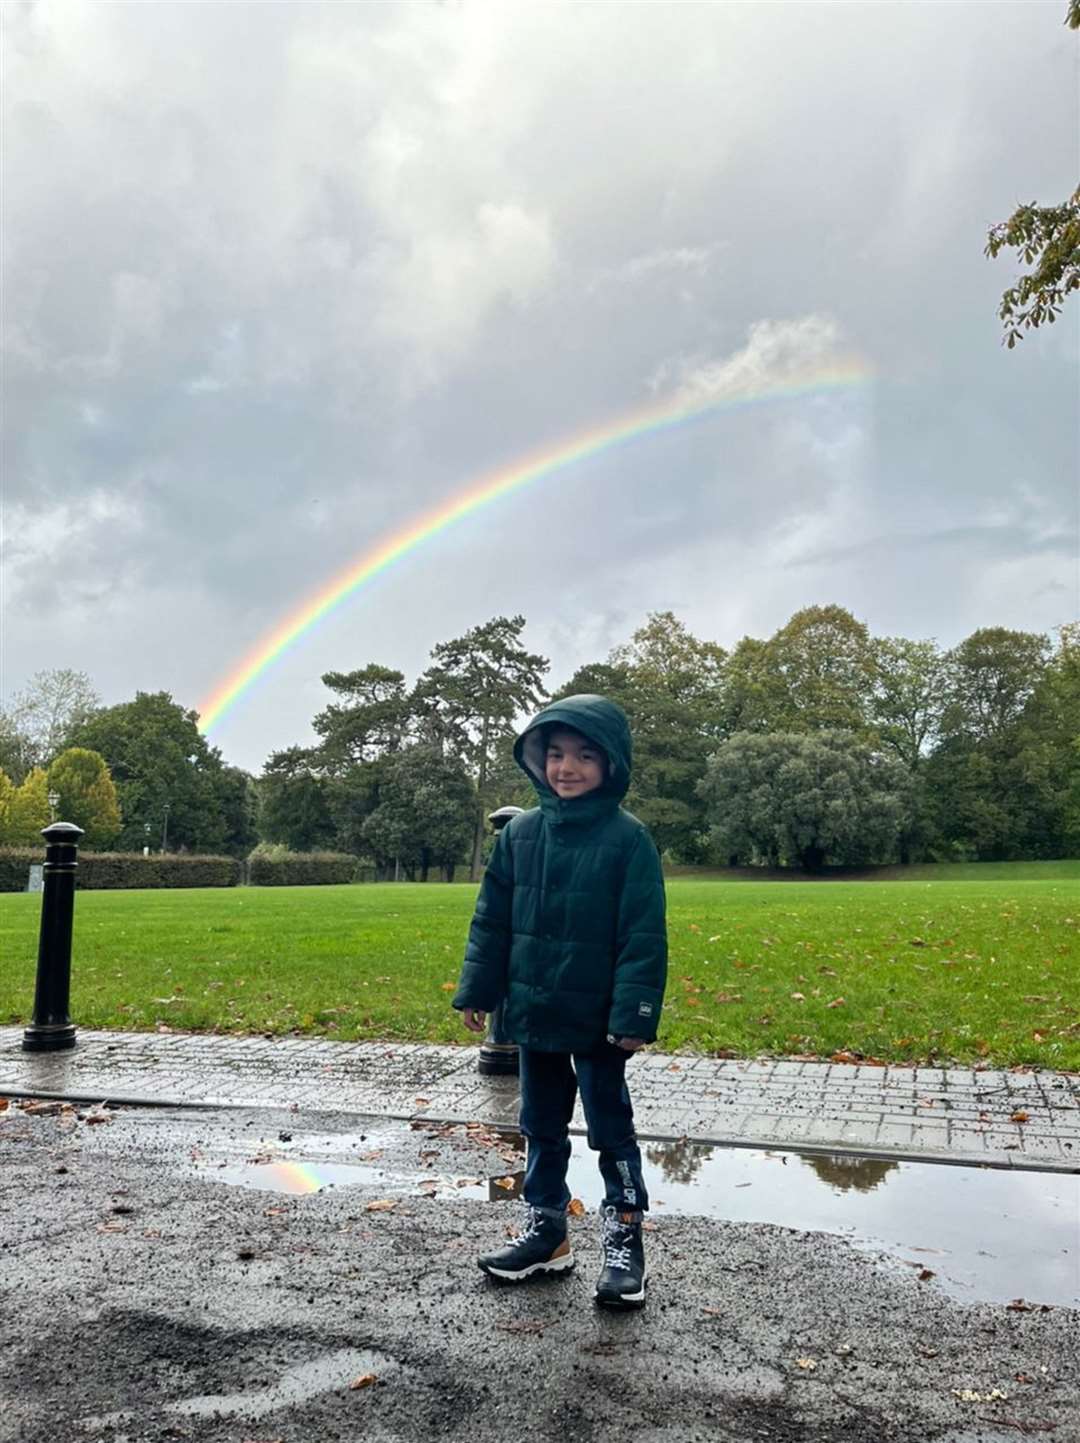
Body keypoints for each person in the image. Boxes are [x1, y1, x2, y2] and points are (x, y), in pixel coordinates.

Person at [452, 694, 667, 1309]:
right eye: (554, 754)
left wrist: (635, 1014)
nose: (566, 767)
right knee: (539, 1127)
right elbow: (491, 920)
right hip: (533, 1012)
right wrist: (479, 988)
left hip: (600, 1022)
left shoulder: (629, 840)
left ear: (611, 763)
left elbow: (643, 934)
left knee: (610, 1132)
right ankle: (547, 1229)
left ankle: (624, 1238)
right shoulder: (519, 835)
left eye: (583, 755)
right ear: (536, 760)